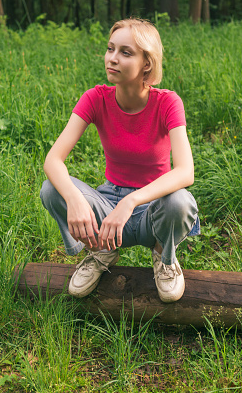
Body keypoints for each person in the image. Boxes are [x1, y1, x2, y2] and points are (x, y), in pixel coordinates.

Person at [40, 18, 199, 303]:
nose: (112, 58)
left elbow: (186, 172)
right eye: (110, 49)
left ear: (146, 64)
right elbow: (53, 160)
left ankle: (165, 255)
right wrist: (75, 200)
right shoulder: (95, 98)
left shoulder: (167, 102)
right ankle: (99, 249)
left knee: (180, 201)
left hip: (154, 209)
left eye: (125, 52)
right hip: (108, 209)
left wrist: (131, 201)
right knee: (52, 188)